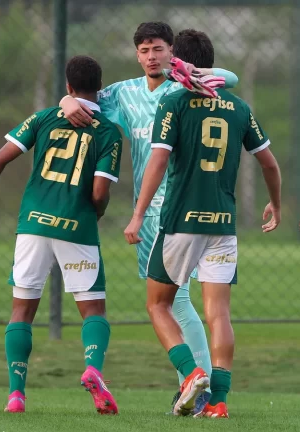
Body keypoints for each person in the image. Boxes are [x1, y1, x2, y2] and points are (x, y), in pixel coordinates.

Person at [60, 22, 240, 413]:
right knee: (178, 302)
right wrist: (65, 101)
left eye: (158, 48)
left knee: (174, 303)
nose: (151, 56)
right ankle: (195, 386)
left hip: (177, 207)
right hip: (154, 207)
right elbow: (85, 100)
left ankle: (196, 384)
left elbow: (230, 77)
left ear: (171, 51)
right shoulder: (124, 93)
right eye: (143, 50)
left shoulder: (185, 87)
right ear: (136, 54)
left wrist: (193, 72)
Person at [124, 29, 282, 418]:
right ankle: (219, 401)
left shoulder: (174, 103)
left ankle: (191, 372)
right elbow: (269, 163)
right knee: (219, 314)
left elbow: (158, 161)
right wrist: (276, 205)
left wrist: (138, 214)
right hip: (223, 223)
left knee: (157, 304)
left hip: (180, 220)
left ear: (180, 61)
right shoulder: (239, 108)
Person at [0, 55, 122, 414]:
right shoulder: (109, 131)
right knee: (93, 309)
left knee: (21, 310)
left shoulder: (44, 117)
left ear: (68, 87)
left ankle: (16, 395)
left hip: (33, 225)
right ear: (99, 87)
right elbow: (98, 193)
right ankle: (93, 370)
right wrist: (96, 212)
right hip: (76, 226)